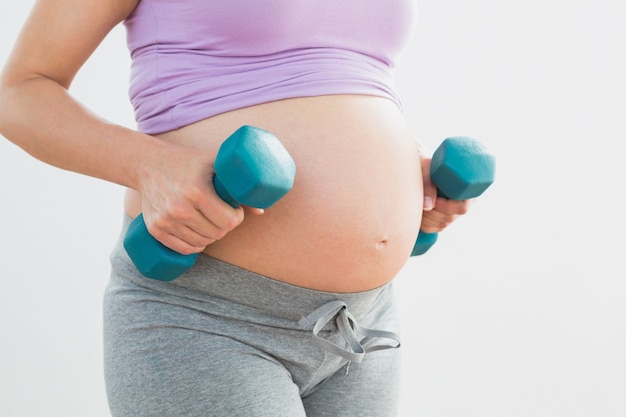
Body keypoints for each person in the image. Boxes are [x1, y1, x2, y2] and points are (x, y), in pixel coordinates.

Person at [0, 1, 474, 416]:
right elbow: (19, 92)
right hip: (206, 317)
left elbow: (343, 75)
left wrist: (399, 181)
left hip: (360, 325)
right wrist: (150, 166)